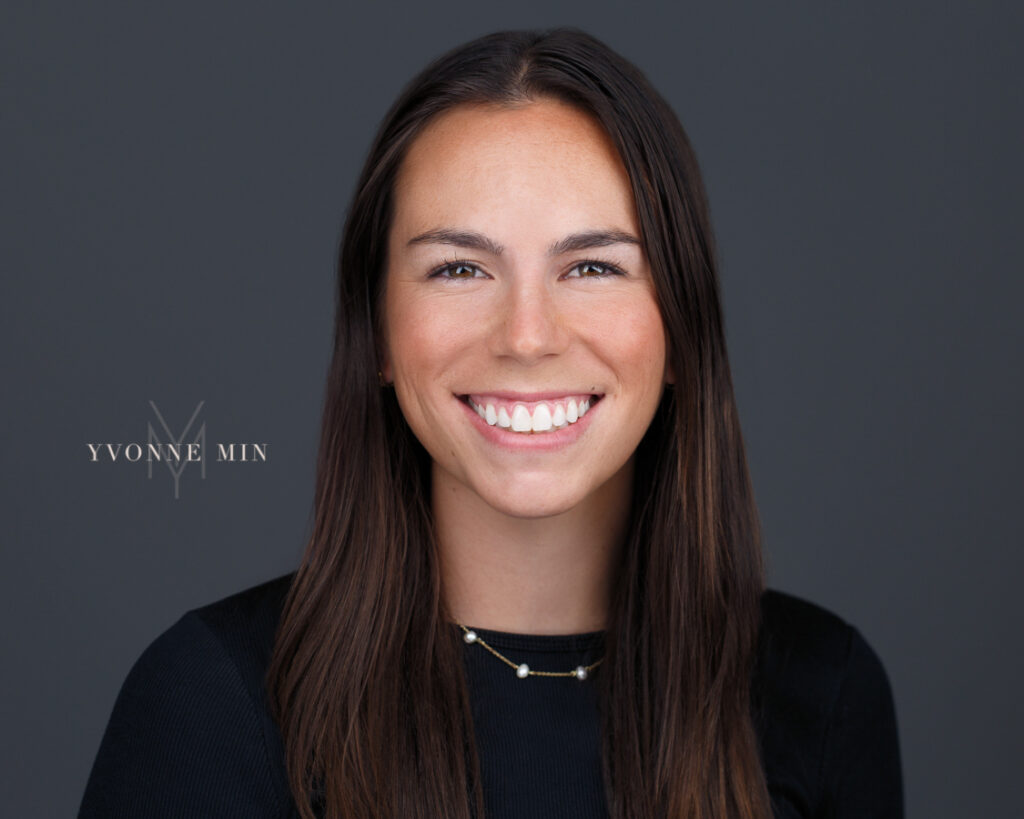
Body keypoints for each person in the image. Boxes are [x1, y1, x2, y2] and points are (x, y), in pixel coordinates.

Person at [78, 27, 903, 819]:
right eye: (460, 267)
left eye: (592, 266)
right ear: (380, 334)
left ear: (681, 328)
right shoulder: (213, 703)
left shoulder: (822, 693)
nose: (526, 335)